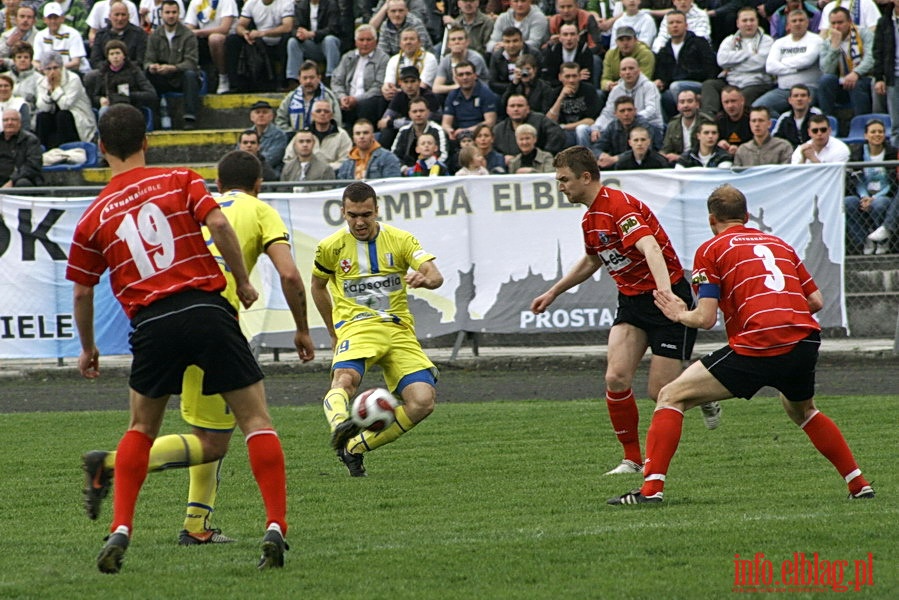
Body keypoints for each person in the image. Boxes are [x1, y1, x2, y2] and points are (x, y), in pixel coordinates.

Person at [65, 104, 291, 573]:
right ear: (147, 141)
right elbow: (220, 225)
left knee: (140, 430)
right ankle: (274, 526)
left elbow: (83, 291)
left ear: (101, 148)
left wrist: (88, 347)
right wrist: (243, 280)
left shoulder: (91, 218)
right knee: (255, 420)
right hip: (206, 308)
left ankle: (122, 527)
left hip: (151, 323)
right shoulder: (181, 178)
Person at [608, 184, 875, 505]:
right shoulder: (780, 244)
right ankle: (859, 484)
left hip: (759, 341)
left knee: (669, 396)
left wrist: (680, 313)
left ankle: (650, 491)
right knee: (803, 409)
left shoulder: (711, 249)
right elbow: (816, 300)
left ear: (711, 219)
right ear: (746, 216)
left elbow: (705, 319)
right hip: (804, 339)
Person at [531, 145, 718, 477]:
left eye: (564, 180)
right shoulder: (590, 218)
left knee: (660, 393)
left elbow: (650, 247)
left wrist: (667, 296)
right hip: (632, 303)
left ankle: (702, 390)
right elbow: (592, 260)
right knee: (615, 378)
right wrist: (553, 292)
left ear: (585, 177)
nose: (560, 187)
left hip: (666, 297)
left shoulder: (619, 206)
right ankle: (632, 460)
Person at [311, 180, 444, 476]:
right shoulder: (330, 247)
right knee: (344, 380)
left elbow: (434, 275)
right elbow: (317, 287)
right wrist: (334, 331)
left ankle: (355, 447)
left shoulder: (400, 240)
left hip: (398, 331)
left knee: (423, 401)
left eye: (366, 214)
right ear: (343, 212)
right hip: (357, 328)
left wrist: (425, 279)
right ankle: (341, 428)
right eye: (353, 215)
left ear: (377, 211)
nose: (360, 222)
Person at [701, 7, 774, 115]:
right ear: (738, 23)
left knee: (739, 97)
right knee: (709, 85)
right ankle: (709, 119)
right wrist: (748, 54)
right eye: (744, 20)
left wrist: (732, 65)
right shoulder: (729, 40)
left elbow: (760, 63)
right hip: (731, 81)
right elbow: (721, 61)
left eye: (752, 20)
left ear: (757, 22)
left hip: (756, 82)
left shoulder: (767, 41)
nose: (749, 24)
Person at [751, 9, 822, 116]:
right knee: (758, 107)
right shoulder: (780, 43)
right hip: (783, 90)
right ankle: (783, 125)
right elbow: (770, 67)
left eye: (801, 20)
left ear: (807, 23)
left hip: (807, 89)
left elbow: (807, 61)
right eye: (794, 21)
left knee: (801, 110)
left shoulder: (816, 40)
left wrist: (782, 63)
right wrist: (797, 68)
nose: (798, 23)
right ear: (788, 25)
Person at [144, 0, 200, 130]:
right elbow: (148, 59)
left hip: (181, 77)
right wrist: (152, 66)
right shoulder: (154, 36)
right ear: (162, 14)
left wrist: (173, 68)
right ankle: (155, 117)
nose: (171, 15)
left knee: (190, 75)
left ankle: (189, 118)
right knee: (147, 75)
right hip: (162, 77)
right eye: (167, 12)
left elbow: (191, 62)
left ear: (179, 13)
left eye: (174, 12)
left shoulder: (188, 35)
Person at [843, 119, 897, 255]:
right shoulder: (857, 153)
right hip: (863, 194)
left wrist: (874, 198)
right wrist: (864, 197)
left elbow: (891, 183)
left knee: (880, 204)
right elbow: (857, 180)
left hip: (885, 194)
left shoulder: (892, 153)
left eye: (881, 132)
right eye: (873, 132)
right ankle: (864, 241)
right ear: (866, 135)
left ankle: (882, 241)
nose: (877, 134)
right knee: (848, 202)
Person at [652, 10, 718, 121]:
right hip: (674, 90)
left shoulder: (699, 43)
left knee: (676, 86)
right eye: (671, 23)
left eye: (678, 22)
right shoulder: (664, 50)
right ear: (667, 27)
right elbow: (662, 75)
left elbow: (711, 69)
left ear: (686, 25)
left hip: (698, 86)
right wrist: (660, 82)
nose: (675, 25)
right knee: (656, 94)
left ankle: (686, 120)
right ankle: (667, 126)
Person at [224, 0, 293, 93]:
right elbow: (239, 26)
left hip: (279, 41)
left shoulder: (286, 3)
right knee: (233, 40)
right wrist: (245, 33)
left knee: (288, 40)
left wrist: (263, 33)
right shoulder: (251, 3)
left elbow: (287, 27)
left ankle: (284, 83)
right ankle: (235, 85)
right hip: (259, 43)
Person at [817, 6, 874, 118]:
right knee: (826, 80)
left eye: (840, 22)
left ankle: (861, 122)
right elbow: (826, 69)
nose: (836, 26)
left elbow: (871, 58)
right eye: (833, 23)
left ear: (850, 21)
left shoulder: (864, 34)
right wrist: (835, 47)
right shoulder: (827, 42)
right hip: (840, 83)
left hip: (863, 79)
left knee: (857, 84)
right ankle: (827, 121)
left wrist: (856, 73)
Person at [330, 24, 390, 128]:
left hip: (369, 101)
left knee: (366, 104)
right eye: (361, 40)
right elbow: (336, 81)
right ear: (355, 41)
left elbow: (378, 86)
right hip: (347, 99)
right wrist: (342, 97)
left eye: (369, 40)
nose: (365, 43)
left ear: (376, 41)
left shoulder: (383, 59)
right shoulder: (348, 57)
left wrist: (356, 100)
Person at [34, 52, 97, 148]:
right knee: (42, 117)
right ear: (43, 70)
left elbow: (65, 105)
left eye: (55, 68)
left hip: (76, 116)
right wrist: (49, 91)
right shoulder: (41, 82)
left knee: (62, 115)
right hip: (54, 116)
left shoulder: (73, 79)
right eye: (48, 69)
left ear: (61, 67)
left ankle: (69, 148)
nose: (52, 72)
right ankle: (42, 150)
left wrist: (56, 87)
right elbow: (43, 107)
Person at [85, 40, 158, 120]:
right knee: (103, 111)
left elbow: (151, 94)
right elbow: (95, 96)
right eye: (111, 54)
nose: (115, 57)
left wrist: (129, 94)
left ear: (124, 55)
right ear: (108, 57)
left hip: (131, 106)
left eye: (118, 53)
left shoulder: (134, 71)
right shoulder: (103, 72)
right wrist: (100, 99)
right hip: (110, 107)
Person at [183, 0, 239, 94]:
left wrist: (198, 32)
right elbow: (189, 26)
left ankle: (223, 77)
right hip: (203, 38)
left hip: (227, 39)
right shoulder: (195, 2)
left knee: (215, 39)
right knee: (187, 39)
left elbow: (224, 28)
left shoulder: (228, 1)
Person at [492, 92, 566, 160]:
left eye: (520, 106)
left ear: (527, 109)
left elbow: (557, 135)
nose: (516, 109)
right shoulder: (498, 130)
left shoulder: (541, 120)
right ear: (507, 110)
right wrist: (502, 158)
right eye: (512, 106)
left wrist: (543, 156)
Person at [285, 0, 341, 88]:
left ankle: (331, 77)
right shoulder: (301, 5)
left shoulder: (331, 4)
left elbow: (334, 28)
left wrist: (312, 34)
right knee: (292, 42)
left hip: (325, 43)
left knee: (330, 40)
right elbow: (295, 28)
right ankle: (294, 79)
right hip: (309, 44)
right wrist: (299, 33)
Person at [276, 59, 341, 134]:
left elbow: (337, 122)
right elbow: (280, 120)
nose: (308, 81)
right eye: (305, 78)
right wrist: (294, 134)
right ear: (299, 79)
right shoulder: (291, 97)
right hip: (295, 139)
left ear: (319, 78)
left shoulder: (328, 96)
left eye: (312, 77)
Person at [546, 61, 603, 146]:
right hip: (563, 133)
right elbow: (549, 121)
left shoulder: (589, 90)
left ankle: (584, 158)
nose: (571, 80)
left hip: (585, 131)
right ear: (560, 77)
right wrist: (561, 97)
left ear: (580, 76)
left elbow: (591, 121)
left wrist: (565, 126)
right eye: (567, 76)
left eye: (574, 76)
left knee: (581, 129)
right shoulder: (554, 93)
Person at [441, 60, 498, 143]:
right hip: (458, 136)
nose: (465, 77)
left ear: (475, 76)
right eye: (461, 75)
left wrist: (465, 130)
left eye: (468, 74)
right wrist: (450, 131)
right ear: (456, 78)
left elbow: (490, 122)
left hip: (479, 135)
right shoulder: (453, 95)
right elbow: (445, 123)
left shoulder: (486, 93)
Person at [89, 0, 148, 70]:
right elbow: (95, 61)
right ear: (110, 17)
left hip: (131, 72)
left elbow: (140, 60)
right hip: (105, 72)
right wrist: (112, 67)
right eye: (116, 15)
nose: (120, 18)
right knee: (90, 76)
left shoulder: (139, 34)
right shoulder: (100, 35)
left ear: (128, 16)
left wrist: (121, 66)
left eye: (123, 15)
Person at [32, 2, 88, 74]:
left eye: (56, 18)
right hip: (46, 73)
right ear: (44, 20)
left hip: (72, 72)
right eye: (50, 18)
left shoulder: (73, 34)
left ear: (62, 18)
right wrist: (42, 68)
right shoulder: (40, 35)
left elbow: (76, 62)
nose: (53, 21)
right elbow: (35, 61)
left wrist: (54, 69)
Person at [336, 118, 402, 179]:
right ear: (353, 138)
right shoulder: (346, 163)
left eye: (365, 133)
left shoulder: (388, 158)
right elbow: (339, 188)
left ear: (373, 136)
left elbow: (392, 186)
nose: (361, 136)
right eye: (358, 133)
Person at [392, 95, 448, 166]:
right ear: (409, 114)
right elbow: (394, 155)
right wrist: (404, 169)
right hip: (407, 172)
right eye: (414, 111)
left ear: (428, 112)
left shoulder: (437, 130)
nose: (418, 114)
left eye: (421, 111)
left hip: (433, 171)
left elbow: (444, 155)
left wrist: (427, 167)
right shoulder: (403, 131)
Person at [660, 89, 713, 163]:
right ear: (678, 106)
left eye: (690, 101)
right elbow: (666, 148)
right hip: (678, 164)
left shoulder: (706, 122)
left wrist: (680, 158)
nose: (686, 105)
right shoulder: (672, 124)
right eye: (682, 102)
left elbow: (708, 151)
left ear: (697, 104)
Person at [873, 0, 899, 146]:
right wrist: (879, 77)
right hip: (893, 77)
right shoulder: (884, 21)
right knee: (896, 124)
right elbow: (878, 51)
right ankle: (897, 164)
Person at [771, 83, 822, 148]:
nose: (799, 99)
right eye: (795, 96)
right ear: (790, 100)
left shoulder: (817, 114)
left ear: (809, 99)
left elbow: (822, 137)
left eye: (803, 95)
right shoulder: (784, 117)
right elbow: (775, 140)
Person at [0, 108, 42, 186]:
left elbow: (32, 166)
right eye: (6, 120)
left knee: (22, 183)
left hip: (21, 179)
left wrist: (12, 181)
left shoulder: (31, 140)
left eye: (13, 120)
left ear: (20, 122)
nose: (9, 123)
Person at [247, 100, 288, 175]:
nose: (261, 115)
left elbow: (270, 159)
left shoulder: (279, 135)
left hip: (270, 174)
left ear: (271, 116)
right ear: (251, 117)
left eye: (265, 112)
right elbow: (239, 154)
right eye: (257, 112)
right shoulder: (246, 134)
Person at [715, 85, 752, 155]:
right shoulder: (719, 119)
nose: (730, 106)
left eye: (733, 101)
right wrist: (718, 143)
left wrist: (740, 149)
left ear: (742, 100)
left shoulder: (752, 117)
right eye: (726, 102)